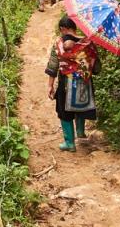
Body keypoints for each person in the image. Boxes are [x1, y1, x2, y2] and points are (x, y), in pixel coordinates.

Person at [45, 16, 99, 152]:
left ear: (63, 29)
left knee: (64, 111)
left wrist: (50, 85)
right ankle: (80, 132)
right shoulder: (88, 43)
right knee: (81, 107)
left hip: (66, 82)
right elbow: (97, 67)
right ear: (75, 27)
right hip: (84, 81)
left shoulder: (59, 43)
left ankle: (69, 143)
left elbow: (53, 66)